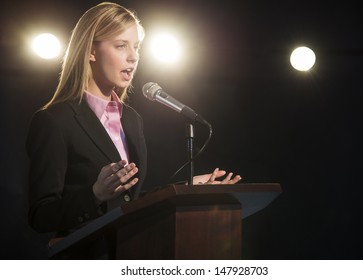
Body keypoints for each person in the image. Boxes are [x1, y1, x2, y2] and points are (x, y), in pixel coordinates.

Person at [26, 2, 241, 258]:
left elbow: (128, 203)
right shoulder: (54, 120)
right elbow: (41, 215)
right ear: (91, 51)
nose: (134, 56)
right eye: (121, 45)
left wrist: (186, 188)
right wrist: (94, 194)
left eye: (136, 47)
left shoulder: (131, 119)